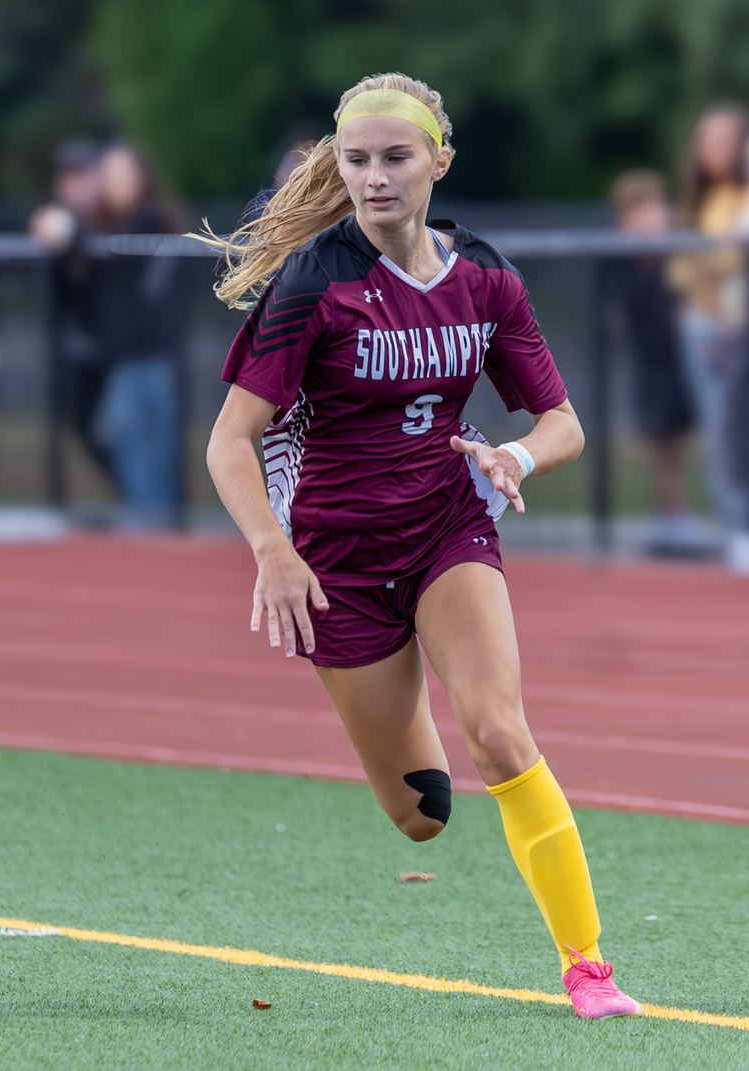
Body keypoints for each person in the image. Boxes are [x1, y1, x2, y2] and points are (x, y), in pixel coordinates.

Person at [202, 72, 642, 1019]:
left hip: (448, 526)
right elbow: (229, 440)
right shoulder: (313, 284)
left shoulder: (484, 277)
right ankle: (407, 712)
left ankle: (587, 969)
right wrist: (273, 553)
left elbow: (562, 420)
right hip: (336, 566)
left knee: (499, 731)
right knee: (421, 817)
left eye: (395, 158)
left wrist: (517, 455)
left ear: (440, 160)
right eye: (355, 160)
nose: (373, 178)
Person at [667, 103, 749, 571]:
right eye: (706, 140)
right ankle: (737, 530)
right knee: (721, 431)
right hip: (709, 328)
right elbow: (683, 269)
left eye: (724, 140)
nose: (712, 151)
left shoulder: (740, 200)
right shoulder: (703, 203)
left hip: (734, 325)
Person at [605, 170, 703, 556]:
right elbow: (617, 313)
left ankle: (687, 517)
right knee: (662, 442)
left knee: (688, 440)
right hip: (652, 363)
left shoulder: (680, 253)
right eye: (638, 211)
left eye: (654, 208)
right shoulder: (621, 261)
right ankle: (673, 519)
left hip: (689, 359)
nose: (649, 218)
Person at [90, 142, 187, 526]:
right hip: (125, 357)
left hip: (149, 355)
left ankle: (152, 523)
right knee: (126, 434)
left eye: (124, 174)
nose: (116, 184)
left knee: (145, 439)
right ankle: (148, 519)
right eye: (110, 175)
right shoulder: (106, 227)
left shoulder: (149, 222)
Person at [30, 139, 114, 477]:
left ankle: (143, 502)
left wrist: (71, 232)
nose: (75, 185)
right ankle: (131, 494)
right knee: (83, 424)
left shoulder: (113, 216)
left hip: (124, 347)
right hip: (85, 347)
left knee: (123, 427)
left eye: (82, 175)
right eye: (68, 176)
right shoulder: (58, 223)